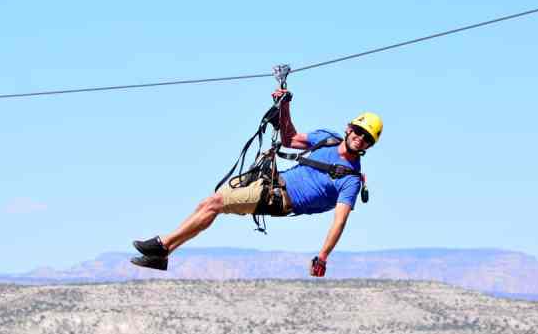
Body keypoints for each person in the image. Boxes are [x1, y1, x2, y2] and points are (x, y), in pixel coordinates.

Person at [130, 88, 383, 277]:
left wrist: (323, 257)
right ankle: (164, 254)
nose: (360, 139)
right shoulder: (327, 138)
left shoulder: (350, 180)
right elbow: (289, 138)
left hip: (278, 200)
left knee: (215, 203)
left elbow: (339, 222)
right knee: (208, 203)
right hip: (269, 178)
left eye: (367, 138)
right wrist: (284, 106)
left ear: (369, 145)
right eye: (359, 132)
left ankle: (163, 244)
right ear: (349, 128)